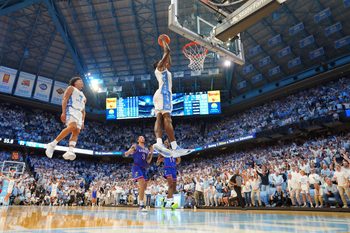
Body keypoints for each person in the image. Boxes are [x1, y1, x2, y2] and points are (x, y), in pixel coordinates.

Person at [152, 35, 191, 158]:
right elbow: (167, 51)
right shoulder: (159, 68)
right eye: (163, 61)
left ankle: (159, 143)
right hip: (164, 94)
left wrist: (167, 54)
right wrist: (164, 41)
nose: (165, 62)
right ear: (159, 64)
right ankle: (175, 147)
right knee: (167, 119)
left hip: (159, 94)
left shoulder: (164, 71)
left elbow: (169, 59)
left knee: (159, 118)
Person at [45, 77, 86, 161]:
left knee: (76, 131)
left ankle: (70, 151)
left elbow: (83, 111)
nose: (82, 83)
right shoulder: (71, 88)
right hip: (71, 109)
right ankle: (52, 144)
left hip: (79, 113)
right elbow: (65, 99)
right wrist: (63, 112)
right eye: (80, 81)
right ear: (75, 83)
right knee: (72, 126)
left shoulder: (84, 96)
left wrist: (82, 121)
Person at [125, 136, 153, 211]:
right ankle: (141, 205)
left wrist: (152, 153)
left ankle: (139, 198)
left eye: (143, 137)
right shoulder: (135, 146)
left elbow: (148, 161)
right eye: (140, 137)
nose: (142, 138)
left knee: (144, 187)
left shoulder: (147, 149)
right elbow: (131, 150)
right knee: (142, 183)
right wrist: (128, 152)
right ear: (138, 140)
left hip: (144, 168)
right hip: (137, 167)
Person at [156, 139, 180, 210]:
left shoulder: (173, 151)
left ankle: (164, 202)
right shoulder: (162, 152)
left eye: (167, 142)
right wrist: (160, 161)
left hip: (173, 169)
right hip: (167, 169)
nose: (166, 143)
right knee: (171, 185)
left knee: (173, 188)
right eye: (165, 142)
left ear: (169, 143)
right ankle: (172, 204)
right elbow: (157, 162)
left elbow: (178, 160)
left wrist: (175, 163)